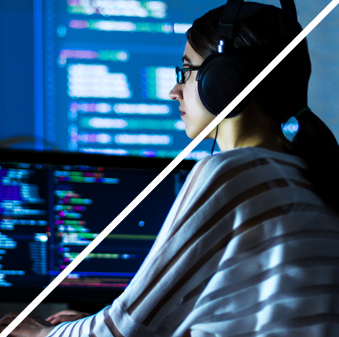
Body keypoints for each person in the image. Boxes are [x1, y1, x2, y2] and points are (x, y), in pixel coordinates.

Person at [2, 2, 339, 336]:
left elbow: (122, 330)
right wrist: (89, 323)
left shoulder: (236, 172)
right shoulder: (305, 173)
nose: (173, 91)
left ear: (224, 80)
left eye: (186, 71)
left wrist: (40, 333)